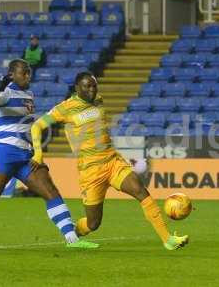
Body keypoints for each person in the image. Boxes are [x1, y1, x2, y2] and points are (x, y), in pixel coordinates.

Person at [30, 71, 189, 250]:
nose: (92, 90)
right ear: (77, 88)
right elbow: (37, 126)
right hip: (91, 171)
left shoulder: (99, 99)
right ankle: (73, 234)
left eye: (94, 85)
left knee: (140, 190)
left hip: (112, 162)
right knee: (93, 223)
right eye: (87, 86)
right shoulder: (65, 108)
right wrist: (38, 153)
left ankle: (168, 239)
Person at [0, 59, 96, 249]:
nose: (28, 76)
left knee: (51, 191)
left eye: (29, 72)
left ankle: (72, 239)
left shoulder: (29, 94)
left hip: (25, 155)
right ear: (12, 74)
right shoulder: (5, 92)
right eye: (24, 73)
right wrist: (0, 85)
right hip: (5, 152)